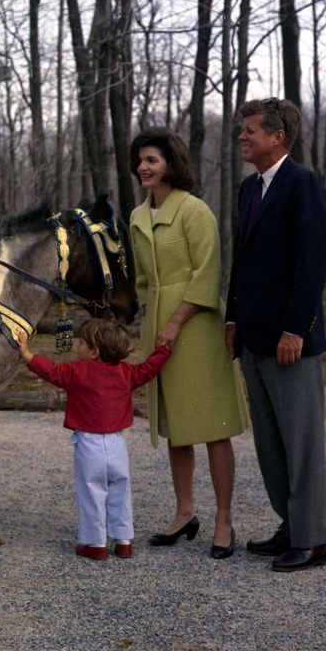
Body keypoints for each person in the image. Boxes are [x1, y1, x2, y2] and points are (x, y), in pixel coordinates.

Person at [128, 128, 250, 559]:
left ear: (171, 164)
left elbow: (208, 274)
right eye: (141, 160)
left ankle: (223, 520)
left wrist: (177, 322)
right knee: (176, 427)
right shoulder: (138, 216)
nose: (144, 167)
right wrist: (150, 322)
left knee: (213, 426)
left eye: (153, 160)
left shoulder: (194, 211)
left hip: (196, 327)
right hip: (158, 327)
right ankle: (184, 512)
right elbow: (143, 281)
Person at [225, 97, 326, 572]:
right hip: (252, 337)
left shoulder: (302, 184)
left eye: (250, 130)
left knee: (301, 441)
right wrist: (232, 320)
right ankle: (290, 527)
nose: (243, 137)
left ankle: (314, 541)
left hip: (291, 341)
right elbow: (242, 263)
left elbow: (311, 267)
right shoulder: (249, 189)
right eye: (242, 130)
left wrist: (296, 330)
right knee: (270, 442)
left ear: (277, 136)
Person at [15, 320, 171, 561]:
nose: (78, 345)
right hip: (117, 444)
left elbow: (51, 371)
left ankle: (95, 543)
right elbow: (149, 368)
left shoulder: (77, 371)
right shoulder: (127, 373)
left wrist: (26, 353)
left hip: (89, 444)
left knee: (92, 492)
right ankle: (124, 540)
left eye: (82, 343)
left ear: (94, 351)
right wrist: (164, 350)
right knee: (120, 490)